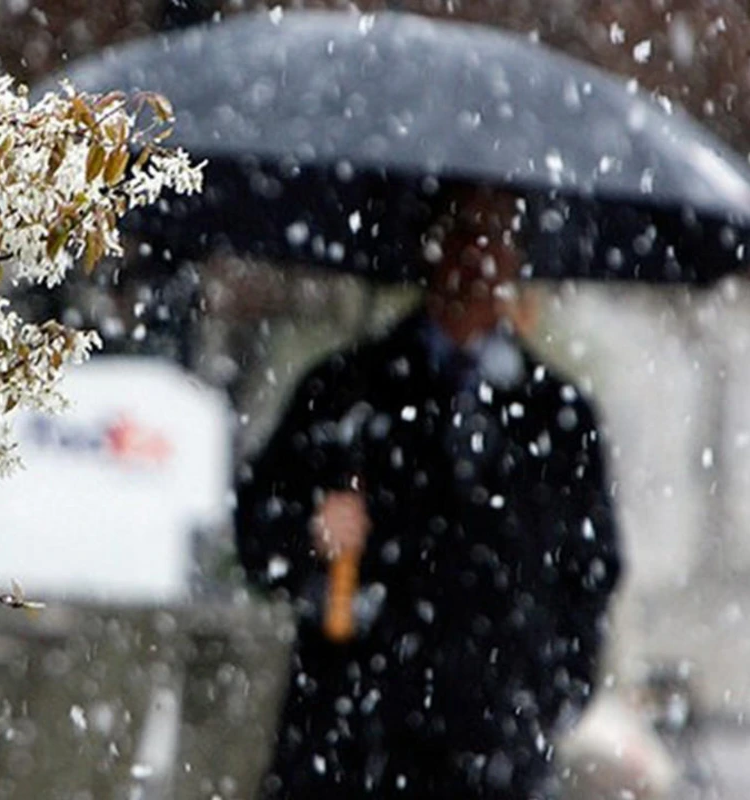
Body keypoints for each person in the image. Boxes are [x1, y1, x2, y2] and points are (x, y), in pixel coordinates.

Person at [235, 187, 623, 799]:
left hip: (497, 747)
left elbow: (591, 571)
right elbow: (257, 534)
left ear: (519, 257)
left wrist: (549, 694)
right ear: (428, 246)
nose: (477, 255)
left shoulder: (559, 417)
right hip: (349, 741)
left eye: (497, 234)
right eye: (463, 231)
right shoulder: (343, 392)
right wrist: (310, 530)